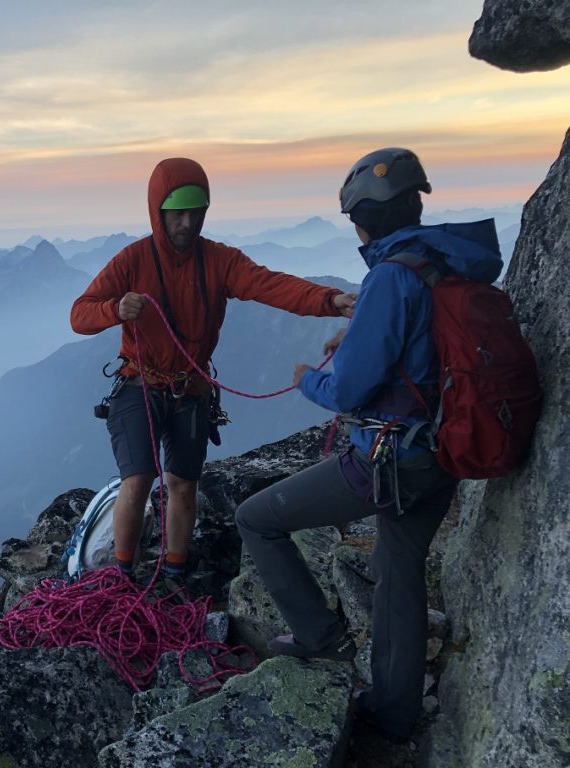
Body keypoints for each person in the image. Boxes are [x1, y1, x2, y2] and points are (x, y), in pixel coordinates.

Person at [235, 147, 503, 743]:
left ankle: (318, 639)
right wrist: (357, 338)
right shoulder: (444, 262)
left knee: (255, 519)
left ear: (362, 216)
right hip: (443, 452)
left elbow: (349, 387)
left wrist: (309, 375)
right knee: (398, 571)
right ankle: (393, 713)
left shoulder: (389, 276)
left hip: (390, 460)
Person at [70, 157, 354, 595]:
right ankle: (121, 577)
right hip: (139, 383)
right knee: (139, 477)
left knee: (184, 483)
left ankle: (176, 574)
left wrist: (328, 300)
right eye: (177, 214)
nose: (187, 223)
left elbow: (269, 284)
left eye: (195, 213)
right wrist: (114, 310)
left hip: (191, 389)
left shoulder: (219, 261)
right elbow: (79, 314)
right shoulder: (132, 260)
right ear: (157, 212)